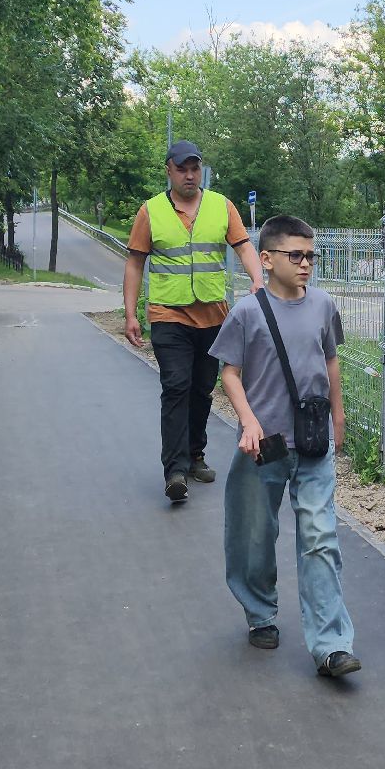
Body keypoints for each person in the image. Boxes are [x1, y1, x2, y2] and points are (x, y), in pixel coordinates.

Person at [211, 215, 360, 679]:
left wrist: (338, 413)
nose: (306, 264)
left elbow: (330, 361)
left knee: (320, 538)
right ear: (268, 259)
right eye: (296, 256)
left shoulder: (322, 305)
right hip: (265, 444)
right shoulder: (247, 312)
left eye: (311, 256)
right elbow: (229, 372)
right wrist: (248, 420)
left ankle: (332, 645)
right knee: (254, 534)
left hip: (312, 441)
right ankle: (260, 612)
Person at [122, 141, 264, 503]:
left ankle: (195, 454)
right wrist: (129, 313)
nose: (189, 175)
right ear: (169, 170)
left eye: (195, 168)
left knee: (203, 387)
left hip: (213, 316)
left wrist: (258, 279)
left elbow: (244, 246)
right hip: (168, 315)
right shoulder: (151, 211)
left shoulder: (221, 206)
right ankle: (175, 470)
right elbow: (135, 262)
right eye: (182, 168)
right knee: (176, 387)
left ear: (201, 170)